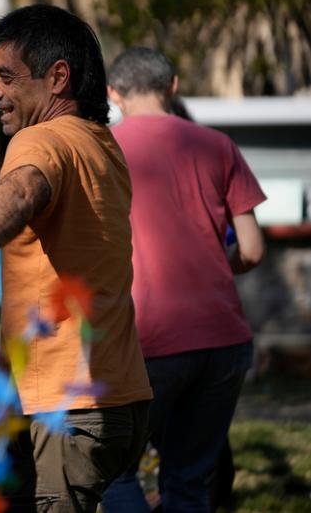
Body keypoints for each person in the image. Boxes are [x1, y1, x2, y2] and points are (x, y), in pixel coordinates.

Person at [0, 4, 153, 512]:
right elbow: (17, 195)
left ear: (57, 78)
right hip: (107, 400)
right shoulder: (96, 143)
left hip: (67, 407)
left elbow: (25, 190)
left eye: (5, 77)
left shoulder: (40, 140)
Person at [101, 47, 266, 512]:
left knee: (116, 473)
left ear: (113, 93)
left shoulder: (102, 149)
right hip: (224, 340)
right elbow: (252, 249)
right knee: (189, 480)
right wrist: (214, 262)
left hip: (144, 339)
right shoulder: (217, 145)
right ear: (173, 85)